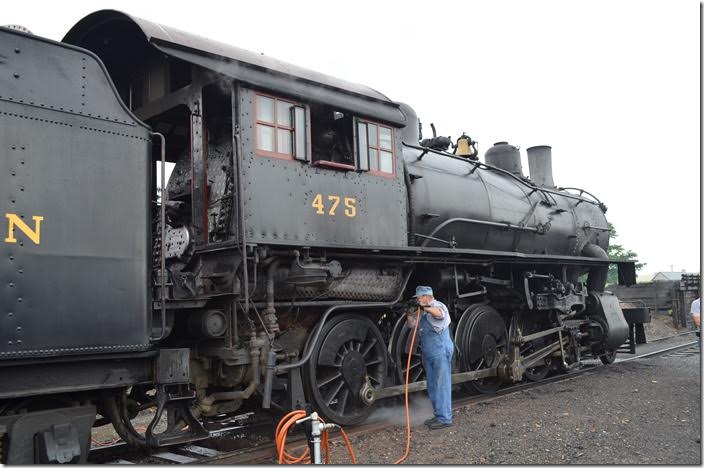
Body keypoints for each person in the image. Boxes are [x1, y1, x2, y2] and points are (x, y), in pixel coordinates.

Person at [406, 285, 454, 429]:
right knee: (432, 385)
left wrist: (423, 307)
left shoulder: (437, 305)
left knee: (442, 384)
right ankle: (438, 415)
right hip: (429, 352)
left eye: (419, 297)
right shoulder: (422, 311)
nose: (418, 300)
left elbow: (439, 314)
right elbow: (411, 325)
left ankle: (445, 418)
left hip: (440, 350)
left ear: (426, 296)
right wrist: (410, 312)